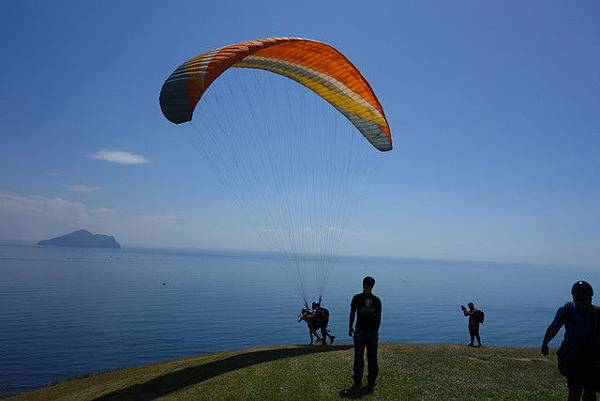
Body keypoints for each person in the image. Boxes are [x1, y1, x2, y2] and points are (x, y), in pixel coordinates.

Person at [541, 280, 600, 401]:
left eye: (583, 297)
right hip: (572, 356)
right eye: (578, 298)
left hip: (592, 358)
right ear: (574, 297)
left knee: (589, 391)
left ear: (590, 297)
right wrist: (545, 343)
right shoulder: (567, 311)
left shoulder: (597, 314)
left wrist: (545, 343)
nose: (581, 301)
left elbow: (554, 327)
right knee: (576, 390)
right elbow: (554, 327)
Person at [349, 276, 382, 391]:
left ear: (363, 284)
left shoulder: (357, 298)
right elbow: (379, 318)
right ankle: (371, 380)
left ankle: (358, 380)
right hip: (371, 332)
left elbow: (352, 313)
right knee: (372, 357)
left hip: (360, 332)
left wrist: (350, 327)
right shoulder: (377, 300)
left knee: (359, 357)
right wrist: (376, 331)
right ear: (373, 286)